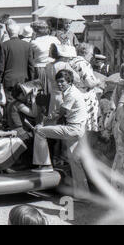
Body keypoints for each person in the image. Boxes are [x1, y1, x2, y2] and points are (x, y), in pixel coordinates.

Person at [32, 70, 89, 199]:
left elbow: (59, 114)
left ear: (69, 81)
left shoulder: (71, 94)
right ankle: (83, 195)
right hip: (78, 129)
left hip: (73, 129)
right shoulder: (72, 91)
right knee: (75, 161)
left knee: (39, 131)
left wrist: (43, 122)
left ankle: (45, 165)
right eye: (58, 82)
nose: (60, 84)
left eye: (62, 81)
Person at [0, 23, 34, 103]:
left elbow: (1, 66)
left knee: (10, 106)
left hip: (9, 80)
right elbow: (31, 65)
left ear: (9, 32)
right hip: (24, 80)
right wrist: (31, 80)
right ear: (18, 32)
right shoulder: (27, 45)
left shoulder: (4, 45)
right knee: (23, 105)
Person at [70, 43, 102, 134]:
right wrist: (98, 81)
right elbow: (89, 83)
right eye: (91, 54)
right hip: (86, 98)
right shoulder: (83, 64)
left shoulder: (72, 62)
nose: (92, 56)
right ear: (85, 53)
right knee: (86, 128)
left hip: (75, 95)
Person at [29, 20, 61, 88]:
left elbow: (29, 56)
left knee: (41, 90)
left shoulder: (34, 42)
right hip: (53, 66)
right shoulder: (55, 39)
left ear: (35, 31)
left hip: (40, 68)